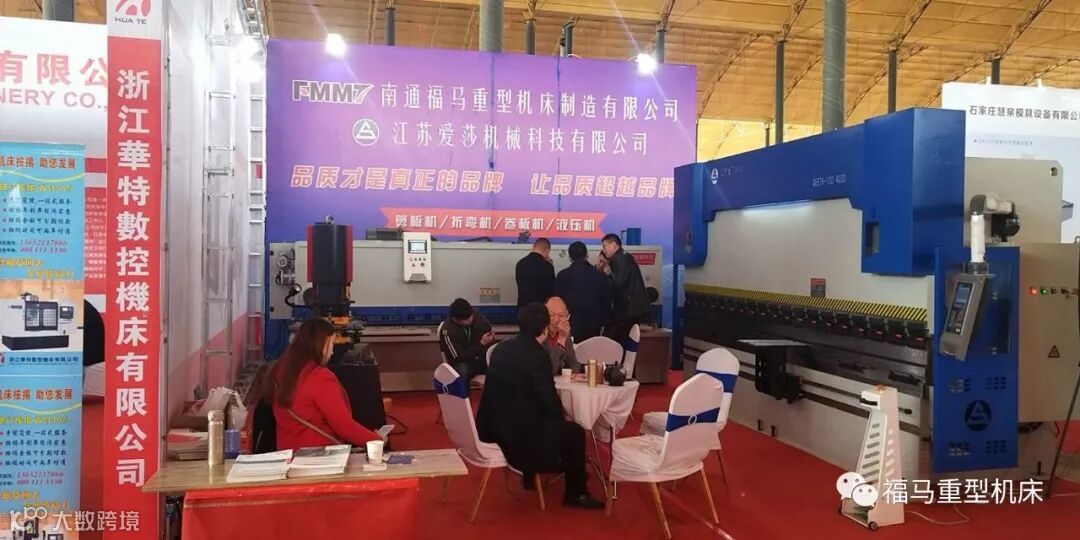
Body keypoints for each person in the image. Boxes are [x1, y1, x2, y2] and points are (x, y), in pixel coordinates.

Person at [476, 303, 604, 509]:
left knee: (542, 418)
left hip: (490, 428)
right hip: (517, 437)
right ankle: (577, 493)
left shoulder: (501, 348)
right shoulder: (536, 355)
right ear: (544, 328)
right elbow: (549, 401)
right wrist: (561, 419)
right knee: (574, 432)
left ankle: (534, 477)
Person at [270, 318, 381, 450]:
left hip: (288, 453)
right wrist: (377, 440)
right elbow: (345, 427)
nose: (332, 352)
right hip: (319, 454)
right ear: (320, 344)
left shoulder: (279, 371)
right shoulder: (320, 377)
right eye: (331, 344)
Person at [597, 233, 651, 345]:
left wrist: (609, 274)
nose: (604, 249)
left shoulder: (620, 258)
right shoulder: (624, 256)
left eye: (605, 246)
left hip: (628, 309)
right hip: (632, 307)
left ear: (614, 244)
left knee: (618, 341)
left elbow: (619, 283)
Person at [554, 241, 611, 341]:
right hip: (593, 327)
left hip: (569, 326)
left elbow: (557, 302)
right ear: (587, 255)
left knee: (571, 350)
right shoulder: (600, 276)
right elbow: (606, 303)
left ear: (570, 257)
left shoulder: (562, 276)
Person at [439, 298, 495, 382]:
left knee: (501, 365)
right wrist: (481, 343)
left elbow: (488, 331)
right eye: (466, 319)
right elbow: (458, 357)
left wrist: (490, 338)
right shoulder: (447, 330)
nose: (470, 320)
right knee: (461, 370)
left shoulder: (476, 316)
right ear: (455, 319)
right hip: (464, 363)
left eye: (470, 316)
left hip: (482, 358)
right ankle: (463, 391)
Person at [544, 297, 580, 375]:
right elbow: (548, 369)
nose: (556, 319)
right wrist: (561, 340)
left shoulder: (564, 332)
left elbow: (574, 366)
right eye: (551, 315)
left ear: (567, 316)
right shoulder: (539, 334)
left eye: (561, 315)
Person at [515, 237, 554, 308]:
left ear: (533, 247)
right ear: (548, 250)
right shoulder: (547, 266)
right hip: (540, 309)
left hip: (523, 308)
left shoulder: (521, 263)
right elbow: (551, 290)